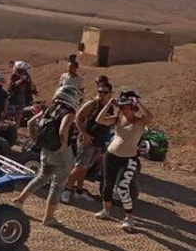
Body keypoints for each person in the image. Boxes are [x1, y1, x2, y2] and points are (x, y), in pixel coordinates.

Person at [11, 85, 81, 226]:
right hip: (61, 154)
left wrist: (35, 140)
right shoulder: (68, 113)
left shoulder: (49, 109)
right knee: (57, 185)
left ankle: (19, 200)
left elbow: (31, 123)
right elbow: (63, 130)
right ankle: (48, 218)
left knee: (41, 177)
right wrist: (63, 145)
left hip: (46, 151)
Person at [94, 90, 153, 233]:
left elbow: (150, 117)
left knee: (122, 187)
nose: (121, 108)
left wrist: (138, 102)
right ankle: (106, 211)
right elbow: (99, 119)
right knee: (107, 185)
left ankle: (129, 218)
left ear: (132, 107)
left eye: (124, 106)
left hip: (128, 159)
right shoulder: (117, 118)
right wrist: (109, 104)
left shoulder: (139, 122)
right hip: (111, 155)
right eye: (120, 106)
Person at [63, 82, 114, 202]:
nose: (101, 94)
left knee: (86, 167)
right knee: (79, 166)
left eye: (104, 92)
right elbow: (78, 118)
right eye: (99, 92)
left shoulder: (110, 107)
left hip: (99, 141)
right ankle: (67, 189)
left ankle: (79, 190)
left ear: (110, 93)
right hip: (87, 139)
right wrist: (84, 134)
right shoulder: (92, 104)